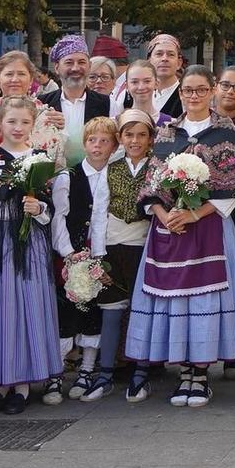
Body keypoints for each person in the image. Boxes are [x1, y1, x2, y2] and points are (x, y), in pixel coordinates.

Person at [126, 67, 235, 408]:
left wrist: (194, 214)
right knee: (175, 301)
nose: (193, 96)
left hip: (209, 226)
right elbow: (152, 183)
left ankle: (200, 375)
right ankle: (183, 372)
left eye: (200, 90)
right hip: (170, 228)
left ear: (212, 91)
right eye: (187, 91)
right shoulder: (167, 133)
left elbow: (233, 185)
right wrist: (165, 216)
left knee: (203, 300)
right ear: (180, 93)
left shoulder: (224, 131)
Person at [0, 96, 64, 415]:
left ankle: (21, 384)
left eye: (25, 122)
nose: (18, 128)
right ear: (0, 123)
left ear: (34, 124)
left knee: (26, 308)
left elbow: (52, 208)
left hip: (28, 244)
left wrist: (38, 208)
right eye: (12, 121)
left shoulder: (40, 159)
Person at [47, 116, 122, 402]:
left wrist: (101, 258)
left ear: (114, 146)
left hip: (102, 255)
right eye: (92, 140)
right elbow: (59, 218)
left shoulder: (115, 175)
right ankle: (56, 374)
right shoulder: (69, 177)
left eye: (104, 141)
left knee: (93, 313)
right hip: (72, 254)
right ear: (84, 143)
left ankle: (87, 370)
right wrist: (69, 253)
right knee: (66, 311)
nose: (97, 146)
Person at [96, 111, 158, 402]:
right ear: (120, 138)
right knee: (111, 311)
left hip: (143, 245)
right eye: (129, 135)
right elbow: (100, 211)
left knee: (140, 311)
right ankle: (104, 373)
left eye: (141, 135)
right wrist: (98, 254)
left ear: (151, 139)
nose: (135, 141)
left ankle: (141, 373)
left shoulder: (157, 168)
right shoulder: (111, 169)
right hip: (113, 244)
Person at [39, 34, 112, 167]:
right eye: (69, 62)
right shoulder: (42, 104)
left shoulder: (107, 104)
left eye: (81, 62)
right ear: (57, 67)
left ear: (89, 66)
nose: (75, 68)